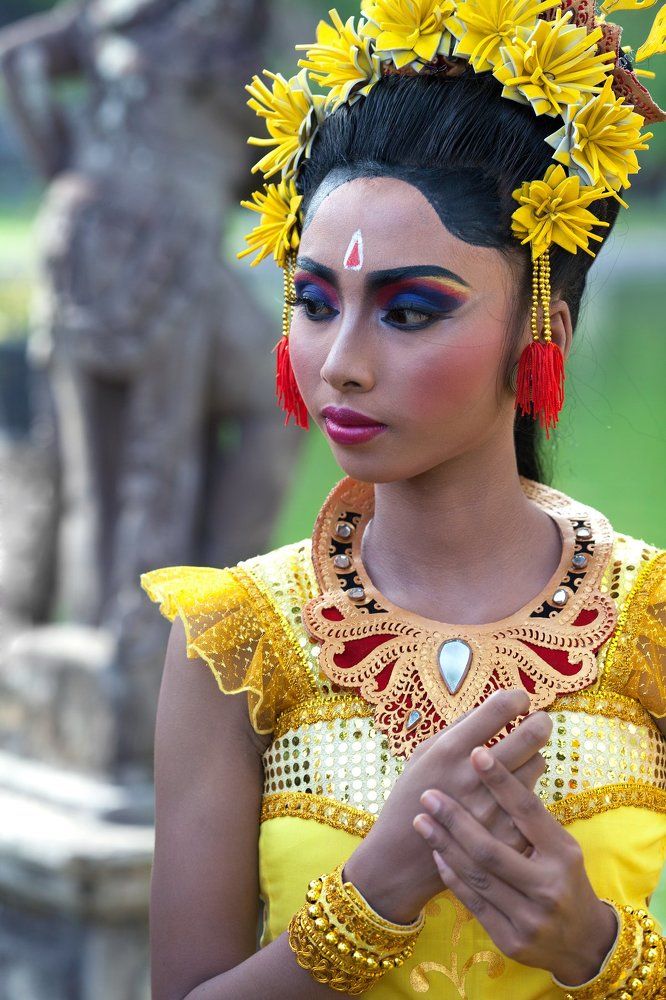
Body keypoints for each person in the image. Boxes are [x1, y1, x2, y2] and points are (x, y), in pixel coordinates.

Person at [140, 1, 666, 996]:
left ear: (540, 325)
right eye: (314, 301)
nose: (341, 364)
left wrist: (599, 951)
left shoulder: (652, 623)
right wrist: (373, 895)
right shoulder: (238, 637)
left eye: (411, 310)